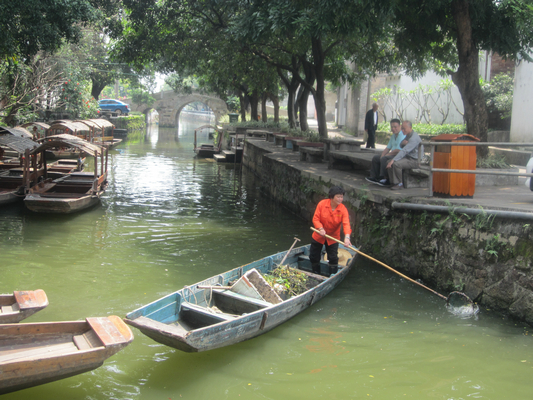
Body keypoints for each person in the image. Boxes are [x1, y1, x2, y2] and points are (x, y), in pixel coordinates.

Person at [310, 186, 352, 276]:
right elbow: (315, 219)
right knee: (314, 256)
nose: (340, 199)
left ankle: (332, 275)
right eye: (338, 197)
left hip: (333, 237)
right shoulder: (322, 204)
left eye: (341, 197)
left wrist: (347, 237)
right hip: (318, 235)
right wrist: (320, 228)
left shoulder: (343, 209)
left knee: (333, 258)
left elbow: (346, 224)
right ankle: (315, 273)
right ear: (332, 197)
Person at [365, 118, 405, 186]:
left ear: (400, 126)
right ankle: (374, 177)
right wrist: (383, 155)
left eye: (395, 127)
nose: (393, 128)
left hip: (399, 155)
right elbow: (387, 148)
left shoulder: (402, 135)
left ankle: (385, 178)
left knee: (385, 158)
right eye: (392, 127)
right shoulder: (393, 136)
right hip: (392, 154)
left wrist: (386, 155)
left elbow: (398, 150)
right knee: (376, 158)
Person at [386, 120, 422, 190]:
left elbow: (404, 151)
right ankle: (393, 182)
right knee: (388, 161)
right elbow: (401, 144)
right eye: (402, 128)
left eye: (404, 128)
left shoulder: (413, 138)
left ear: (410, 127)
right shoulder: (408, 135)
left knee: (396, 164)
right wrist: (402, 143)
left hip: (414, 160)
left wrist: (393, 160)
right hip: (408, 158)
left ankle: (400, 183)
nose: (402, 130)